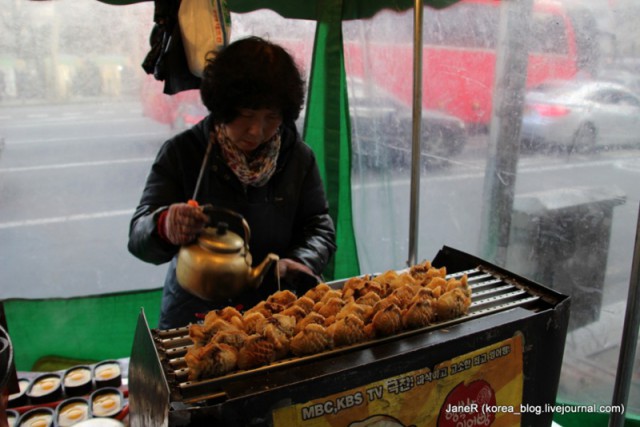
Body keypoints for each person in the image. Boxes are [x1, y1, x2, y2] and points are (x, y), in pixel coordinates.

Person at [128, 36, 337, 329]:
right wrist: (164, 225)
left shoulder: (297, 158)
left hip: (274, 315)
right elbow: (138, 237)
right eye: (246, 115)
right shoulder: (183, 152)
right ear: (223, 107)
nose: (257, 130)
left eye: (271, 117)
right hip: (193, 317)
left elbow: (318, 225)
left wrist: (301, 261)